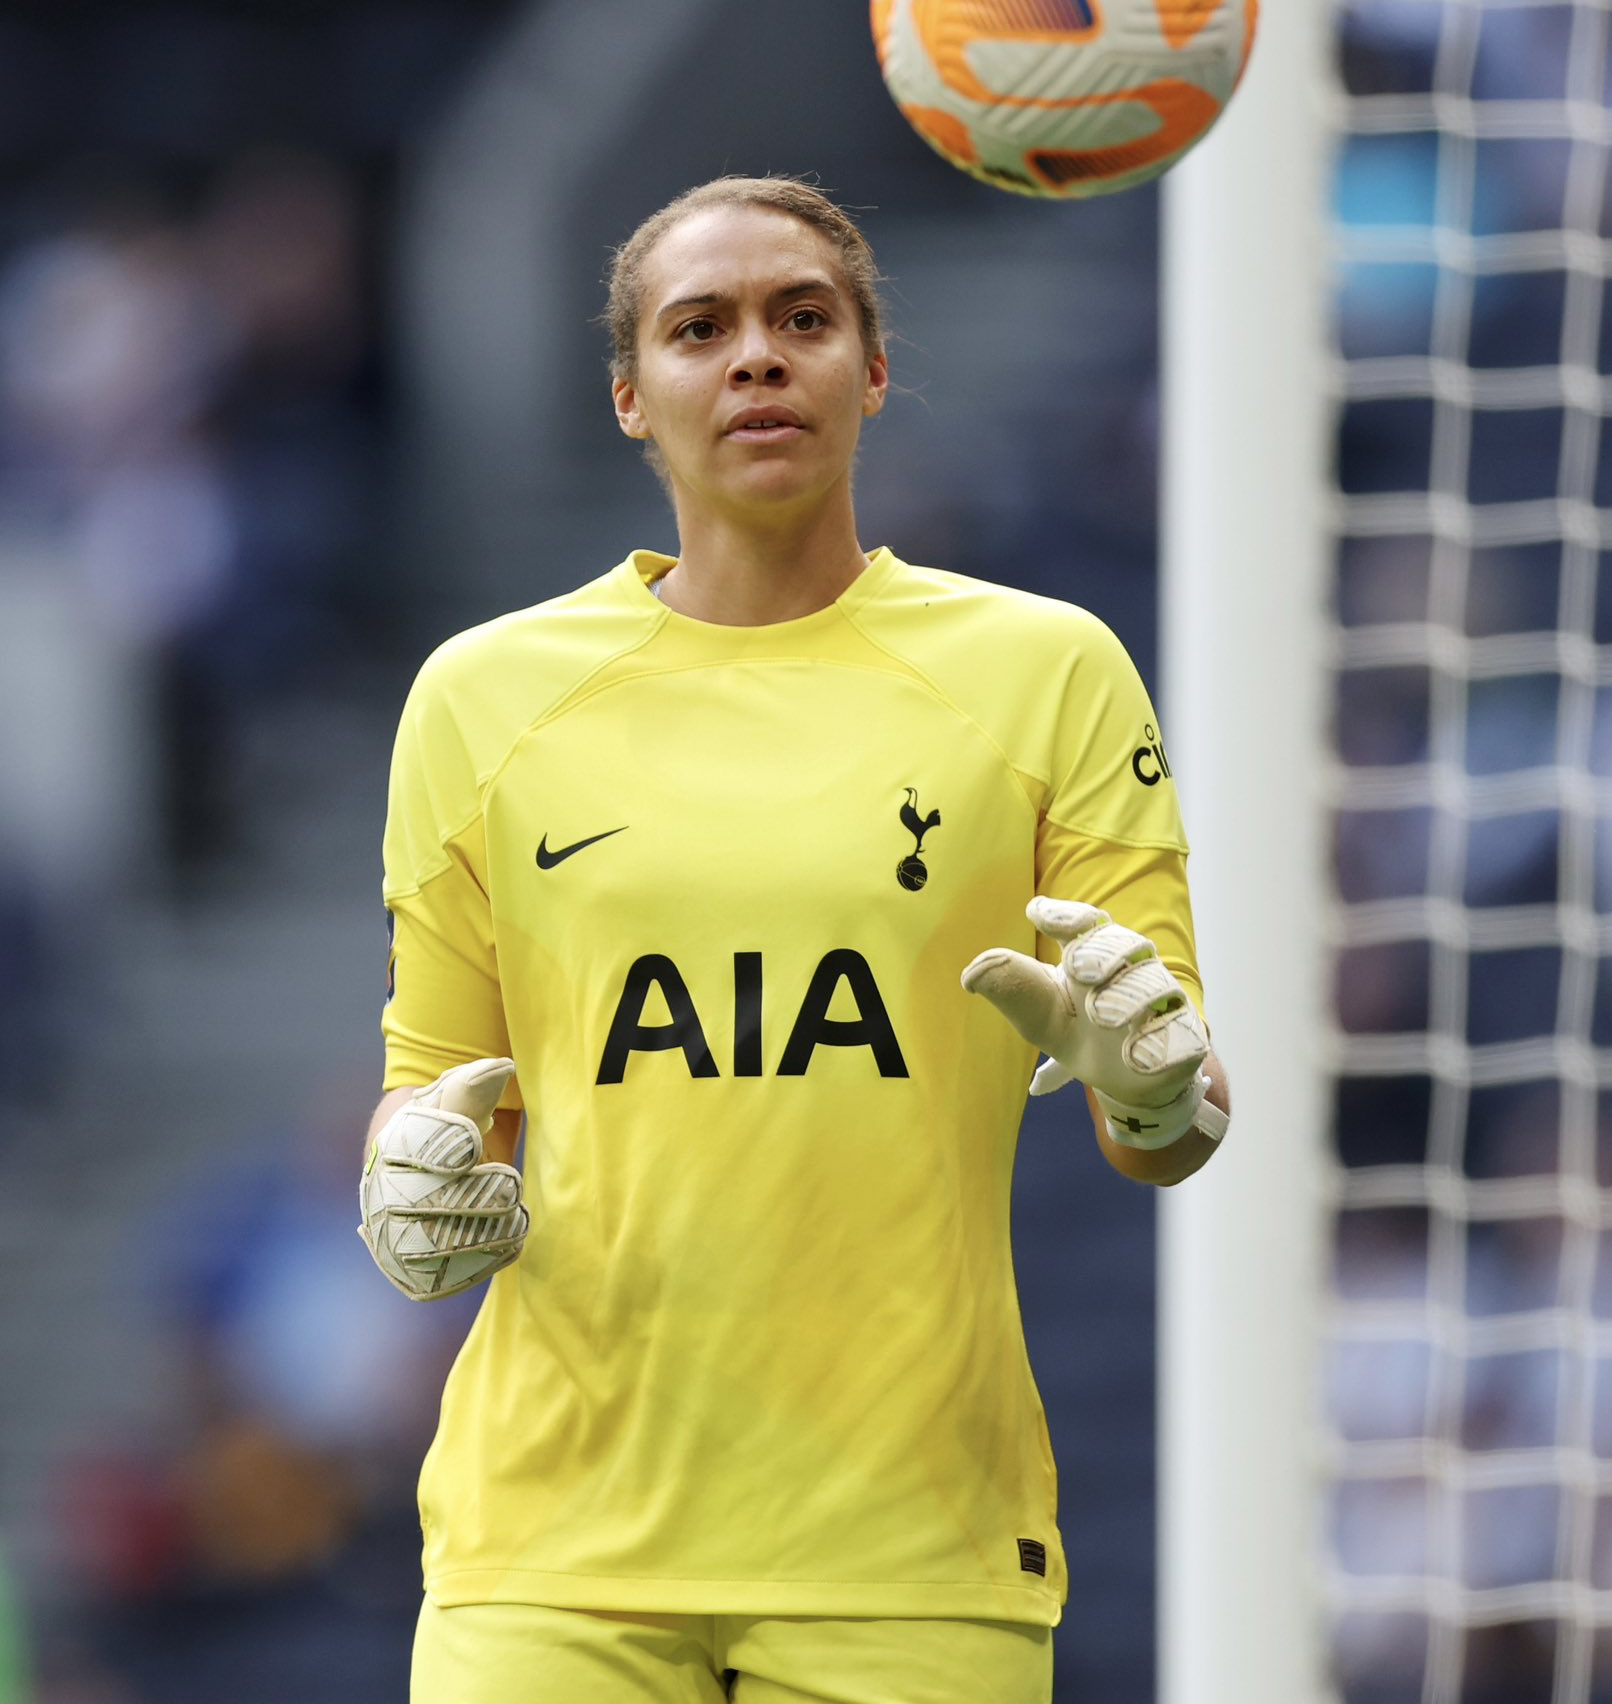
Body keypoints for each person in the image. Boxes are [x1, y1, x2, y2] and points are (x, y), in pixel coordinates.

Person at [357, 175, 1230, 1704]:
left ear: (873, 372)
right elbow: (437, 1080)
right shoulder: (479, 699)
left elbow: (1169, 1121)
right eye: (701, 330)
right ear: (632, 397)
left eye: (802, 319)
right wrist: (410, 1197)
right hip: (549, 1548)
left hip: (910, 1552)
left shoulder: (1049, 673)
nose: (755, 357)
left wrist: (1149, 1088)